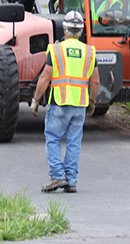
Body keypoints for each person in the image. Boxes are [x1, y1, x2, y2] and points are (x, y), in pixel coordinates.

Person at [31, 10, 100, 193]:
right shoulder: (89, 52)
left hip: (60, 103)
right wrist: (92, 101)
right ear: (81, 30)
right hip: (79, 106)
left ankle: (57, 176)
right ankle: (71, 180)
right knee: (74, 141)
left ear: (64, 29)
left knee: (53, 138)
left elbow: (45, 78)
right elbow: (96, 81)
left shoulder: (56, 50)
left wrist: (35, 100)